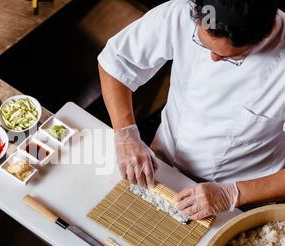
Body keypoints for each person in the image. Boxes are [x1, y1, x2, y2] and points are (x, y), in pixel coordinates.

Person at [98, 0, 285, 220]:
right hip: (161, 166)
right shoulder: (184, 13)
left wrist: (232, 194)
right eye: (204, 44)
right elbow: (117, 61)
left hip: (241, 198)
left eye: (229, 56)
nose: (213, 58)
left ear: (267, 32)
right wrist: (126, 133)